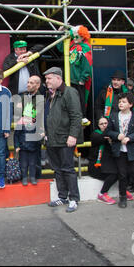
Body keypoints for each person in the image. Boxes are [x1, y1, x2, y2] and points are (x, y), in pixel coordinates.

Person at [43, 67, 83, 213]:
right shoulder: (51, 94)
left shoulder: (69, 92)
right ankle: (63, 196)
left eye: (49, 78)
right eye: (46, 79)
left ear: (58, 78)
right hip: (53, 138)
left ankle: (74, 198)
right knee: (58, 169)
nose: (46, 81)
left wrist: (73, 135)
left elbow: (76, 115)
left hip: (65, 138)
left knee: (67, 169)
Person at [106, 92, 134, 211]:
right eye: (119, 102)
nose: (121, 104)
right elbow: (108, 131)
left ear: (130, 104)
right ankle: (122, 196)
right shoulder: (113, 116)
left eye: (123, 102)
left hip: (133, 150)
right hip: (119, 150)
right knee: (122, 174)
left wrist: (130, 138)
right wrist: (116, 135)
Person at [57, 25, 93, 124]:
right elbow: (60, 47)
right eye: (74, 36)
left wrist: (83, 78)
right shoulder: (72, 44)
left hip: (78, 79)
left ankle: (82, 115)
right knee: (69, 97)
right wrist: (60, 34)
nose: (75, 38)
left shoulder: (85, 48)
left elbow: (87, 63)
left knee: (80, 98)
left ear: (83, 37)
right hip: (70, 77)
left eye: (77, 37)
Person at [14, 75, 44, 186]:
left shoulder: (41, 98)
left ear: (37, 85)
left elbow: (39, 115)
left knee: (34, 160)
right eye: (28, 82)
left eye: (31, 83)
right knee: (24, 161)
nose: (28, 84)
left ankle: (35, 177)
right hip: (23, 130)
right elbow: (17, 111)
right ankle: (25, 178)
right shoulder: (24, 96)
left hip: (35, 131)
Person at [89, 117, 119, 205]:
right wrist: (112, 135)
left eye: (106, 123)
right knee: (114, 174)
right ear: (98, 126)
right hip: (96, 166)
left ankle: (123, 190)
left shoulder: (111, 135)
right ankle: (102, 194)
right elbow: (101, 138)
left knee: (124, 170)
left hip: (107, 164)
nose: (104, 125)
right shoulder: (95, 134)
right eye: (101, 124)